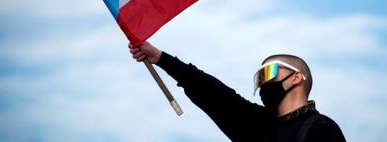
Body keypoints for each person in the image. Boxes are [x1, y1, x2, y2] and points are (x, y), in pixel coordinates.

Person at [129, 41, 346, 142]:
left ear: (296, 77)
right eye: (258, 79)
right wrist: (162, 59)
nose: (262, 83)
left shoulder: (322, 129)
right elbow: (213, 93)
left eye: (268, 73)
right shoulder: (256, 125)